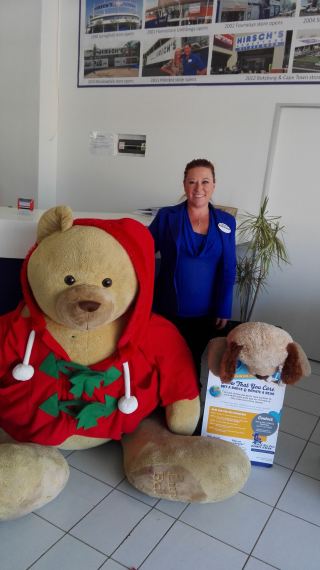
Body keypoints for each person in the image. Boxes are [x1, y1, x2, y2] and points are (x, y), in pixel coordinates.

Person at [148, 158, 236, 376]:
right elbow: (145, 250)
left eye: (205, 182)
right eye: (192, 182)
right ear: (184, 184)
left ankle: (189, 401)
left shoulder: (226, 222)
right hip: (168, 306)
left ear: (214, 185)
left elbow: (228, 267)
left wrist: (224, 307)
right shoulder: (167, 217)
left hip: (205, 310)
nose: (199, 188)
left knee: (192, 360)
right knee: (164, 358)